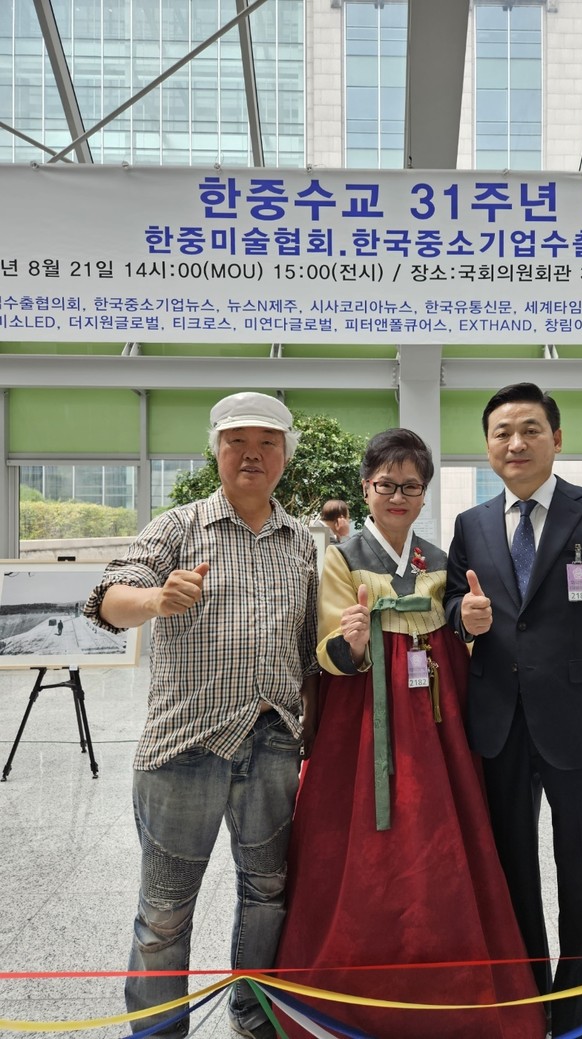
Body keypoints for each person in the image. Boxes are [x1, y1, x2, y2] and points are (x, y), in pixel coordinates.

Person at [275, 428, 546, 1039]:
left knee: (441, 828)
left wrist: (468, 621)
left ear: (424, 493)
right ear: (365, 488)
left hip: (435, 710)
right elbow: (326, 644)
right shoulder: (341, 557)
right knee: (358, 841)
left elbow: (456, 625)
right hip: (363, 713)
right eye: (386, 485)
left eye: (411, 486)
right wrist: (350, 641)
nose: (398, 497)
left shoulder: (437, 558)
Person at [83, 391, 319, 1039]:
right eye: (237, 441)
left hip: (273, 743)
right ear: (216, 451)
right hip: (184, 749)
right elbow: (107, 601)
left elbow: (307, 652)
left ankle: (253, 1011)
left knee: (267, 894)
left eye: (267, 443)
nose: (252, 454)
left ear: (285, 456)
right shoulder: (178, 528)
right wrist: (156, 598)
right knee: (164, 909)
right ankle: (158, 1030)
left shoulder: (302, 542)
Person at [444, 382, 582, 1038]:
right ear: (487, 446)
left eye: (530, 429)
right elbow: (454, 606)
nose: (516, 443)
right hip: (498, 724)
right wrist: (465, 617)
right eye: (502, 432)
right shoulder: (471, 524)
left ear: (556, 439)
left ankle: (579, 1013)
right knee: (511, 872)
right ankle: (528, 1004)